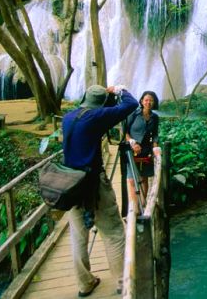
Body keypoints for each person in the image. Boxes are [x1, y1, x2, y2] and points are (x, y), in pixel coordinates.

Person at [63, 84, 138, 297]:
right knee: (113, 232)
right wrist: (119, 90)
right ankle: (123, 284)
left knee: (78, 235)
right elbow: (131, 104)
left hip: (71, 184)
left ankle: (84, 284)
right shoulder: (96, 117)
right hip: (93, 183)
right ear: (101, 104)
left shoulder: (68, 118)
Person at [120, 90, 160, 217]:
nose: (148, 102)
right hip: (132, 150)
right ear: (142, 101)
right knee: (132, 179)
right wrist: (132, 142)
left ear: (154, 103)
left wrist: (155, 147)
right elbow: (125, 131)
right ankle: (134, 208)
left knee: (144, 178)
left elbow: (155, 135)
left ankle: (143, 204)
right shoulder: (134, 114)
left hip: (146, 151)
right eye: (146, 100)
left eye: (151, 100)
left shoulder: (155, 117)